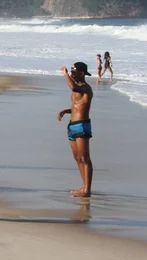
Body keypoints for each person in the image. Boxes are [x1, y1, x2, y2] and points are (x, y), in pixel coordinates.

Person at [57, 62, 94, 198]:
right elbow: (77, 107)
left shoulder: (85, 88)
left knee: (85, 158)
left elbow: (73, 87)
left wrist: (65, 74)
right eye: (71, 71)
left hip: (82, 125)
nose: (72, 74)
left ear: (82, 73)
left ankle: (87, 189)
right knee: (77, 158)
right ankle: (83, 187)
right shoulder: (78, 89)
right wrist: (65, 111)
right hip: (72, 125)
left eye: (74, 72)